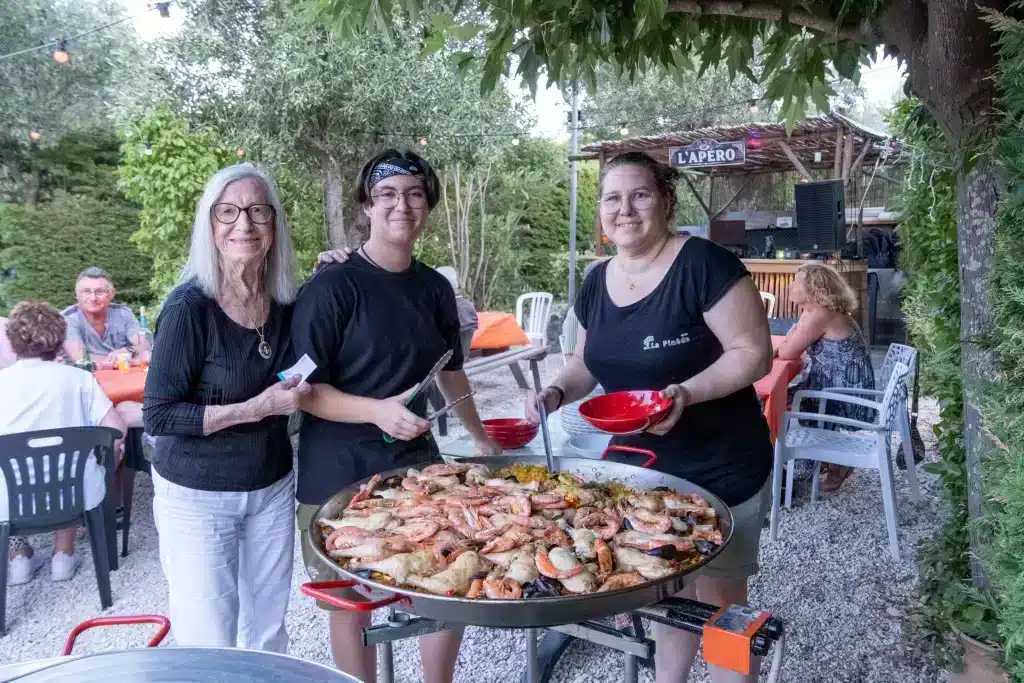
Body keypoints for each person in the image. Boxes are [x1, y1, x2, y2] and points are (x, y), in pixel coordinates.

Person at [524, 152, 773, 683]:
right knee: (664, 585)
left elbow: (753, 352)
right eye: (612, 198)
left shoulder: (703, 265)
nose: (625, 209)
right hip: (642, 473)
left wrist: (684, 393)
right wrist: (553, 391)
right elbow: (585, 363)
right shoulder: (597, 280)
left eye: (639, 195)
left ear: (665, 201)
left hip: (721, 466)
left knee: (722, 601)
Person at [291, 149, 500, 683]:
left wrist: (482, 438)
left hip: (417, 468)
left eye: (413, 194)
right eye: (386, 194)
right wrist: (378, 412)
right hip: (337, 471)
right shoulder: (332, 286)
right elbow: (302, 392)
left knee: (446, 582)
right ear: (367, 204)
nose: (400, 205)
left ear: (427, 205)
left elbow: (451, 371)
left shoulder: (434, 288)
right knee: (349, 601)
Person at [142, 163, 311, 653]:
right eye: (229, 212)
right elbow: (159, 416)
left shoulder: (283, 303)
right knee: (208, 636)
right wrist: (254, 408)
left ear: (275, 224)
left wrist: (339, 266)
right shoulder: (189, 308)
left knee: (266, 631)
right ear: (210, 225)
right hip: (197, 497)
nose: (245, 224)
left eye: (258, 211)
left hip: (271, 489)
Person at [0, 301, 126, 584]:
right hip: (76, 495)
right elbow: (116, 431)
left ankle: (18, 557)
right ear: (59, 339)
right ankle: (64, 554)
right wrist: (107, 466)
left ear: (13, 342)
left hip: (8, 502)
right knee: (78, 465)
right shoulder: (80, 379)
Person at [776, 262, 875, 492]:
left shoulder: (820, 314)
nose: (790, 286)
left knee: (782, 401)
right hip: (835, 384)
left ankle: (817, 463)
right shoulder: (815, 311)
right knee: (788, 396)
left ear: (814, 288)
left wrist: (786, 343)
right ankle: (821, 460)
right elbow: (789, 344)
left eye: (796, 282)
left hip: (844, 393)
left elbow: (788, 351)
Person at [63, 266, 149, 427]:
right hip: (89, 389)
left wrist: (128, 350)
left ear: (112, 293)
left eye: (99, 291)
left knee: (133, 408)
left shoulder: (124, 313)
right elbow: (81, 358)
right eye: (86, 292)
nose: (93, 297)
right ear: (77, 294)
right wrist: (127, 359)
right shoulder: (68, 319)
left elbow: (144, 345)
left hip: (125, 385)